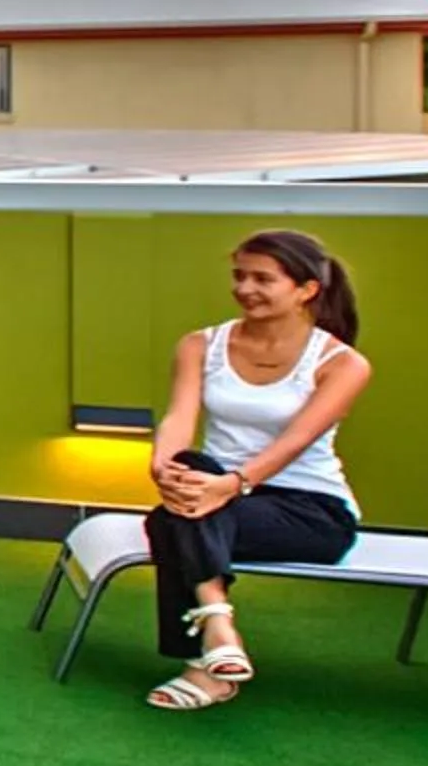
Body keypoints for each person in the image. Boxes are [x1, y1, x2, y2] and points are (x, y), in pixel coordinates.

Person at [140, 229, 370, 713]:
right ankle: (218, 630)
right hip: (214, 490)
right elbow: (180, 416)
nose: (245, 288)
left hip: (310, 510)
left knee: (169, 520)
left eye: (263, 279)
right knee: (188, 471)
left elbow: (296, 440)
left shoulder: (343, 363)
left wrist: (233, 484)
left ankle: (205, 652)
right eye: (239, 276)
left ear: (306, 290)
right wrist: (163, 465)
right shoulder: (200, 345)